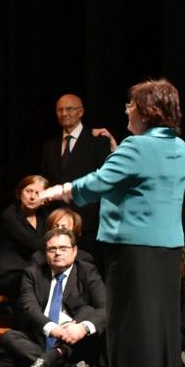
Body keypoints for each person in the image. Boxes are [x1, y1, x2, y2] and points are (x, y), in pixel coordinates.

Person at [42, 78, 185, 367]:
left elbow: (96, 183)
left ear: (145, 110)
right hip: (168, 248)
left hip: (134, 248)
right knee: (160, 325)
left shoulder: (136, 147)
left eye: (131, 104)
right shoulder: (179, 147)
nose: (127, 109)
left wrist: (57, 192)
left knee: (130, 326)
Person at [0, 229, 106, 367]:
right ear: (45, 253)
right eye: (52, 249)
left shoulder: (87, 271)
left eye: (63, 248)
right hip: (43, 337)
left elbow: (106, 308)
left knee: (87, 310)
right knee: (9, 338)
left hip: (76, 343)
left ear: (74, 251)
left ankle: (50, 358)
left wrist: (82, 328)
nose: (58, 253)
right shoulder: (33, 273)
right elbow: (29, 308)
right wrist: (53, 328)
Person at [40, 94, 112, 252]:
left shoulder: (98, 141)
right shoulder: (49, 145)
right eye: (60, 110)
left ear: (80, 112)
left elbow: (106, 180)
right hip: (56, 223)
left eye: (69, 109)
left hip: (89, 223)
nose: (64, 113)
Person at [0, 174, 49, 298]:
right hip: (10, 273)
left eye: (38, 193)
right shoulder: (10, 215)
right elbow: (33, 243)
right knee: (31, 284)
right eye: (29, 191)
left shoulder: (45, 217)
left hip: (34, 271)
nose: (32, 197)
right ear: (19, 193)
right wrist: (53, 245)